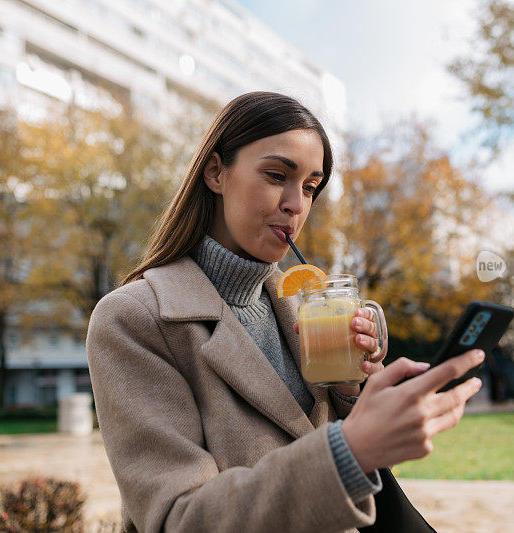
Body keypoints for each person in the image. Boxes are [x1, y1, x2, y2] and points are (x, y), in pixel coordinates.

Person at [86, 92, 484, 532]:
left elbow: (318, 437)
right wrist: (350, 450)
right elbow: (179, 519)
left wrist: (352, 388)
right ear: (217, 172)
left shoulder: (302, 303)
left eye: (311, 186)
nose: (297, 205)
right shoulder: (133, 320)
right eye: (277, 175)